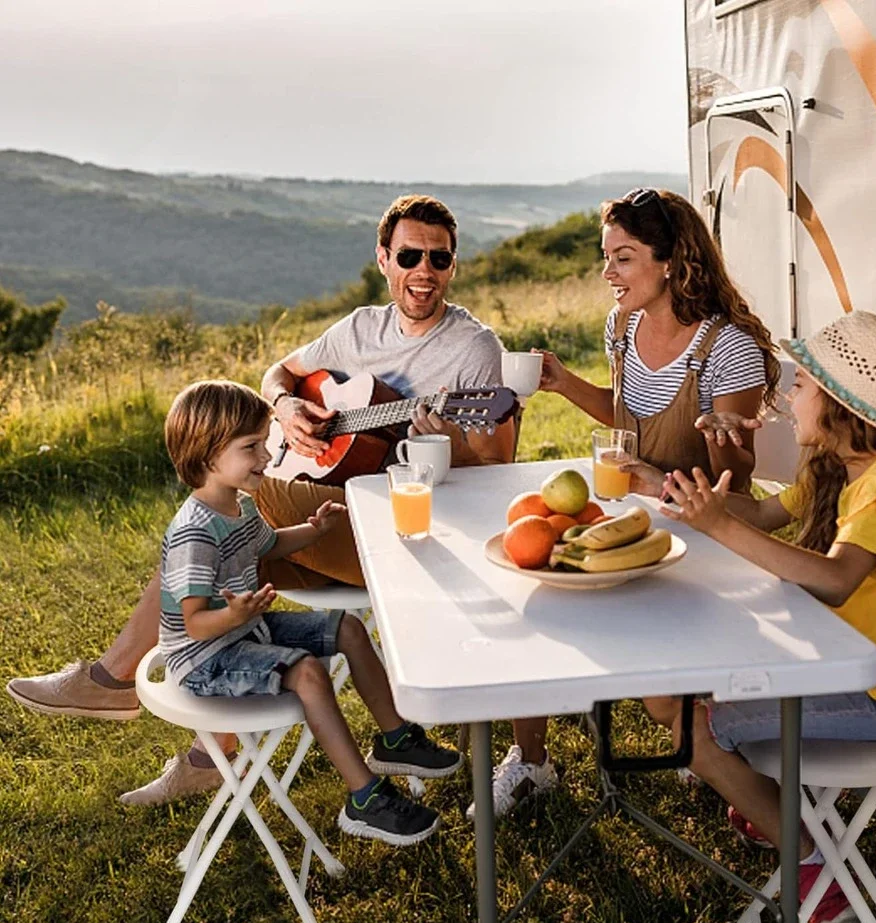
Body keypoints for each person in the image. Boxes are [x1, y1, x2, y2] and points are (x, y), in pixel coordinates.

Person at [7, 194, 514, 805]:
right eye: (410, 255)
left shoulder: (472, 348)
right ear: (385, 259)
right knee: (217, 558)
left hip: (405, 534)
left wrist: (449, 437)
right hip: (328, 519)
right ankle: (207, 753)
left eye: (440, 257)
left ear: (454, 264)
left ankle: (113, 681)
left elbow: (495, 463)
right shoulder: (358, 329)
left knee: (221, 514)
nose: (424, 270)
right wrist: (286, 405)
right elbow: (280, 371)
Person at [641, 311, 876, 923]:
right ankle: (766, 807)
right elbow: (761, 512)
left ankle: (818, 878)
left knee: (695, 725)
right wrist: (671, 488)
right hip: (843, 666)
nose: (789, 394)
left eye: (802, 385)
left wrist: (718, 529)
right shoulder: (838, 469)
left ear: (839, 403)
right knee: (676, 695)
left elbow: (836, 579)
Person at [469, 187, 780, 820]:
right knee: (536, 602)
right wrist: (561, 383)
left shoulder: (728, 347)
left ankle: (712, 739)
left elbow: (736, 480)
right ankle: (534, 758)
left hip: (711, 537)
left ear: (672, 261)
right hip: (635, 516)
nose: (607, 274)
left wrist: (720, 444)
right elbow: (626, 414)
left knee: (652, 685)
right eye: (605, 257)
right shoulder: (623, 325)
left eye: (624, 258)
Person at [158, 380, 458, 843]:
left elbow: (272, 544)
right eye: (251, 447)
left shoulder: (239, 504)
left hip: (244, 631)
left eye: (263, 443)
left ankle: (395, 738)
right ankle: (364, 798)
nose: (265, 457)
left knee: (350, 629)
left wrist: (314, 530)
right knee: (308, 674)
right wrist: (235, 616)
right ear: (207, 455)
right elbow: (196, 624)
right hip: (205, 660)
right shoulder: (194, 534)